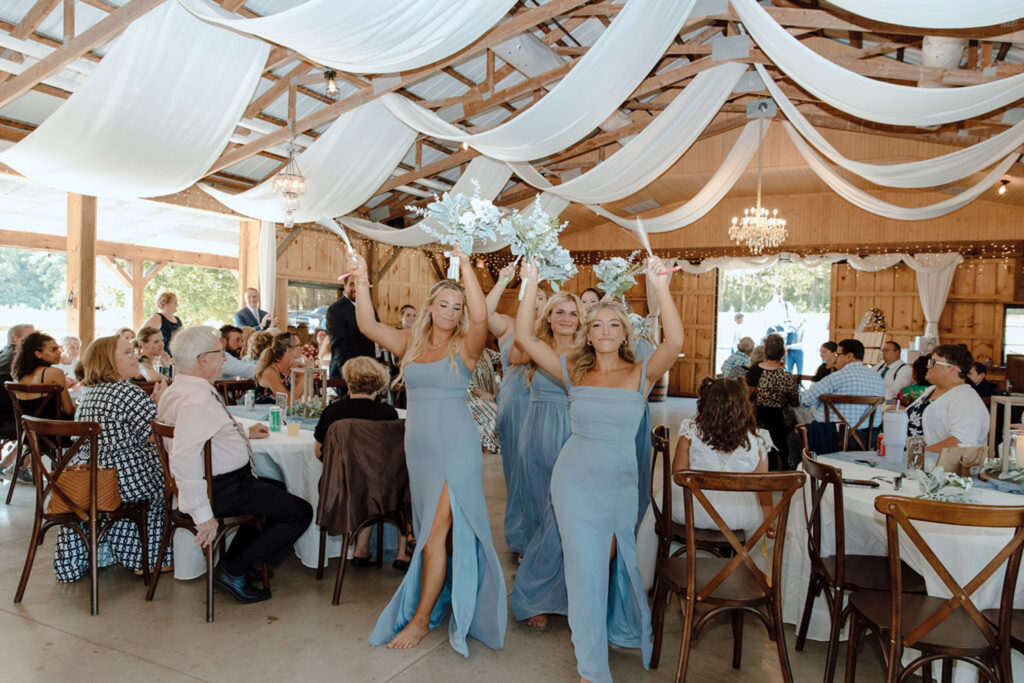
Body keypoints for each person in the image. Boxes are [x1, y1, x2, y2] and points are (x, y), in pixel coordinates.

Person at [513, 255, 682, 683]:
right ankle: (591, 668)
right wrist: (530, 284)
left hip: (620, 486)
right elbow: (523, 339)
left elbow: (675, 342)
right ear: (587, 334)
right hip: (574, 483)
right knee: (584, 571)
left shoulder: (641, 373)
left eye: (614, 324)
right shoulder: (572, 371)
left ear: (625, 333)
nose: (605, 331)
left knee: (607, 565)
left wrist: (661, 287)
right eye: (597, 325)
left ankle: (606, 629)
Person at [349, 246, 506, 655]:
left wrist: (467, 266)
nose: (452, 313)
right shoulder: (409, 345)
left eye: (458, 306)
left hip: (456, 451)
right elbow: (366, 324)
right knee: (427, 534)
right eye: (444, 305)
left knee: (434, 537)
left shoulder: (466, 348)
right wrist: (361, 280)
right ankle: (439, 597)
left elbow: (482, 316)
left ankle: (420, 620)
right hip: (419, 454)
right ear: (431, 307)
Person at [157, 326, 312, 603]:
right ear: (203, 359)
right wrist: (201, 512)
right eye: (219, 353)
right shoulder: (197, 400)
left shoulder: (180, 389)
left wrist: (240, 430)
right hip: (221, 487)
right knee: (300, 512)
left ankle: (241, 563)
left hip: (223, 481)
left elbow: (208, 425)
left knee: (278, 487)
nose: (225, 359)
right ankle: (233, 568)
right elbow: (184, 455)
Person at [53, 334, 171, 582]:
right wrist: (159, 405)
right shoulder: (127, 392)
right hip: (126, 482)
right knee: (171, 484)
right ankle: (149, 557)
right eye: (127, 353)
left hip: (90, 479)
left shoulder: (90, 392)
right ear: (108, 361)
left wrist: (149, 405)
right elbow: (155, 436)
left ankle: (114, 551)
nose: (135, 357)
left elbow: (120, 426)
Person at [636, 377, 773, 589]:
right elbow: (762, 488)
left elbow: (678, 476)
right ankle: (741, 577)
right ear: (744, 407)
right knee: (756, 522)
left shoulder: (691, 434)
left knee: (664, 499)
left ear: (705, 404)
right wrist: (769, 517)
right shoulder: (758, 441)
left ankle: (670, 569)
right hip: (737, 517)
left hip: (692, 512)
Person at [312, 356, 409, 568]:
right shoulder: (388, 413)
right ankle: (402, 552)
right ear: (378, 382)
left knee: (360, 483)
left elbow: (319, 451)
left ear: (349, 380)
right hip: (382, 488)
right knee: (404, 482)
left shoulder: (333, 411)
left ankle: (360, 549)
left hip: (342, 487)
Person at [485, 261, 545, 555]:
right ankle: (521, 538)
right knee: (518, 471)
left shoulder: (555, 330)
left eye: (543, 298)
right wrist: (501, 281)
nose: (538, 302)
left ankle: (543, 535)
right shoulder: (508, 323)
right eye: (533, 295)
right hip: (516, 398)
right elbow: (482, 315)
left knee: (542, 469)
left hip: (546, 399)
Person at [793, 339, 884, 458]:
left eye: (838, 354)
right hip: (869, 438)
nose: (836, 358)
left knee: (793, 437)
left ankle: (806, 473)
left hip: (833, 437)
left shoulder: (837, 377)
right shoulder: (878, 378)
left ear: (849, 356)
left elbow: (806, 400)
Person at [907, 345, 990, 453]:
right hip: (909, 461)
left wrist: (918, 455)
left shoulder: (966, 399)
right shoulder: (932, 389)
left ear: (953, 369)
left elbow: (962, 442)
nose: (928, 366)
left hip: (934, 466)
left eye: (933, 362)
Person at [746, 333, 799, 470]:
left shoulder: (752, 372)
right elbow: (794, 402)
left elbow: (746, 397)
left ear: (764, 351)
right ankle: (786, 463)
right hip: (779, 423)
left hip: (754, 420)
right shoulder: (787, 377)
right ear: (783, 353)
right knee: (796, 421)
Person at [327, 279, 376, 381]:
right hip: (348, 374)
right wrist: (349, 375)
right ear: (345, 287)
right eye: (352, 284)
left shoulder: (370, 308)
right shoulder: (335, 310)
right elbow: (339, 346)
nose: (356, 288)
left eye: (359, 284)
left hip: (369, 371)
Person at [0, 323, 35, 448]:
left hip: (5, 415)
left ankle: (14, 464)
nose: (36, 341)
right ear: (17, 339)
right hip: (10, 419)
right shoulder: (19, 359)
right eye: (32, 337)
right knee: (42, 422)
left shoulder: (3, 353)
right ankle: (21, 464)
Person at [253, 333, 302, 404]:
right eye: (298, 345)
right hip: (264, 413)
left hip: (284, 413)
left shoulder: (294, 367)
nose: (301, 347)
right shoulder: (269, 371)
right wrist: (303, 376)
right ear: (288, 349)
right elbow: (287, 401)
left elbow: (305, 397)